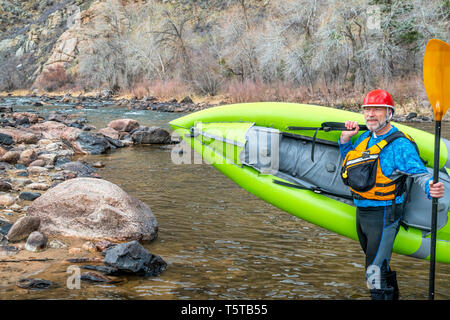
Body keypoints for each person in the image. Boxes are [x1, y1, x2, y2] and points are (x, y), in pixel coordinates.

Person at [338, 89, 445, 300]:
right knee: (380, 268)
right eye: (367, 110)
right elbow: (350, 166)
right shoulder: (364, 138)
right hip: (363, 214)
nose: (370, 114)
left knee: (374, 273)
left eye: (377, 109)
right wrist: (345, 141)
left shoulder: (400, 145)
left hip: (384, 215)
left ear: (389, 113)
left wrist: (431, 187)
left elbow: (420, 175)